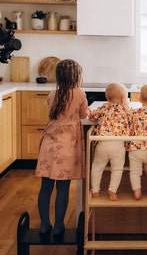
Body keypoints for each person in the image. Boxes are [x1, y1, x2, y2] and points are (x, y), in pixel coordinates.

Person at [35, 59, 88, 241]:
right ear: (77, 77)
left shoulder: (52, 94)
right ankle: (58, 226)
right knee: (63, 188)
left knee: (46, 187)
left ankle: (44, 225)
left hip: (48, 145)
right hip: (66, 146)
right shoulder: (79, 93)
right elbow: (83, 115)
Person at [88, 83, 131, 201]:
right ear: (123, 99)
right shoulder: (126, 109)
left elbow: (92, 117)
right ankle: (112, 190)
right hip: (118, 145)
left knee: (97, 166)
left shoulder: (103, 107)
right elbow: (134, 119)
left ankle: (95, 190)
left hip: (102, 143)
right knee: (117, 169)